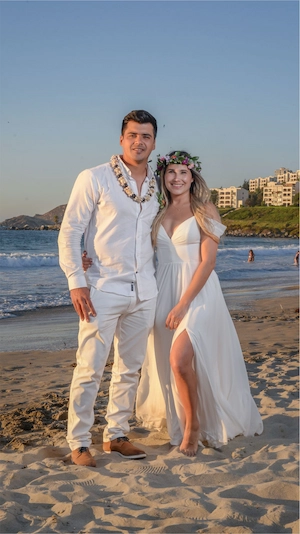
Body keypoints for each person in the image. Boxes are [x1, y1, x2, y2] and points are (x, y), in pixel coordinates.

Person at [135, 151, 263, 456]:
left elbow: (208, 262)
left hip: (199, 292)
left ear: (193, 178)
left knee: (180, 360)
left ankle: (192, 429)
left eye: (183, 172)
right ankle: (183, 421)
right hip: (163, 290)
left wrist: (182, 305)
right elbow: (134, 250)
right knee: (171, 366)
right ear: (163, 177)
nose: (177, 178)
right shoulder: (156, 212)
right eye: (171, 172)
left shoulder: (205, 209)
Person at [58, 110, 159, 467]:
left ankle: (116, 435)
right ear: (121, 138)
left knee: (130, 368)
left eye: (145, 136)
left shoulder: (158, 184)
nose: (139, 141)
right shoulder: (94, 178)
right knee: (90, 368)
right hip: (101, 287)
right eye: (133, 135)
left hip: (145, 289)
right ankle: (79, 442)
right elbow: (70, 231)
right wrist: (77, 282)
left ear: (153, 142)